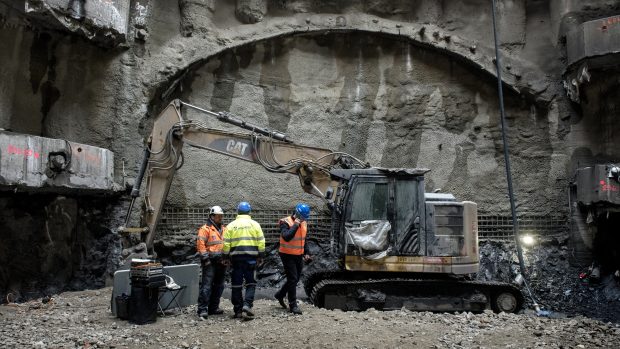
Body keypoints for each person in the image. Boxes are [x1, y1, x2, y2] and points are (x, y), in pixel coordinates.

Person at [223, 201, 265, 320]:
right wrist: (261, 256)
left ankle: (238, 311)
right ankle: (247, 305)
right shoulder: (255, 224)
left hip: (236, 259)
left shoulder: (231, 225)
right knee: (251, 283)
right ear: (249, 212)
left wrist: (225, 258)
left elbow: (226, 244)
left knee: (236, 285)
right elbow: (261, 242)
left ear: (238, 211)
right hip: (251, 259)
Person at [274, 203, 312, 315]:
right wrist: (295, 224)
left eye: (305, 217)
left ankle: (280, 294)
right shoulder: (285, 222)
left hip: (298, 254)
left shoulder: (304, 222)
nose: (304, 219)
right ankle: (293, 305)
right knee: (293, 278)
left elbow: (304, 239)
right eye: (303, 217)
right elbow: (286, 237)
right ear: (297, 214)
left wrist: (307, 252)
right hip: (286, 254)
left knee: (294, 279)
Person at [196, 205, 227, 319]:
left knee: (219, 286)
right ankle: (202, 309)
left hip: (221, 261)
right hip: (210, 261)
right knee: (207, 286)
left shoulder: (224, 229)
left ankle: (213, 308)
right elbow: (200, 245)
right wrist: (205, 260)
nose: (220, 218)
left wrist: (227, 258)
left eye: (221, 216)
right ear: (212, 216)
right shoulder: (205, 229)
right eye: (218, 216)